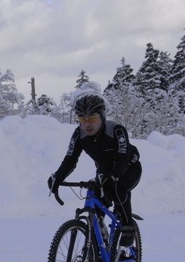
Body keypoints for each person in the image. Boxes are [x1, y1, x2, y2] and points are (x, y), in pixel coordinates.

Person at [48, 82, 142, 246]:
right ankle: (95, 254)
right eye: (82, 119)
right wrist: (57, 177)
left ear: (102, 116)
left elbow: (121, 158)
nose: (87, 124)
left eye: (92, 118)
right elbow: (70, 159)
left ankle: (128, 227)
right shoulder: (79, 134)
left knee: (118, 189)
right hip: (104, 169)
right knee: (96, 200)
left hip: (129, 166)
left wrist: (114, 175)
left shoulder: (117, 130)